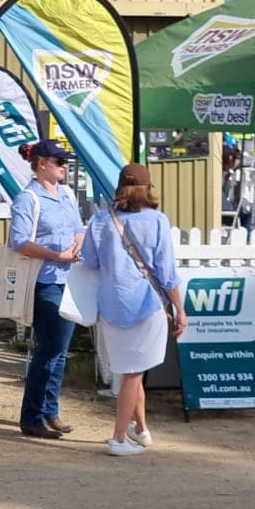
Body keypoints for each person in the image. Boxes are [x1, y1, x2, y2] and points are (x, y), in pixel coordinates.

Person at [79, 163, 188, 457]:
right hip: (146, 302)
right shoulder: (157, 220)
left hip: (111, 304)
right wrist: (179, 308)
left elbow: (89, 260)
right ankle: (117, 438)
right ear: (148, 187)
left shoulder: (102, 219)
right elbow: (166, 272)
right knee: (134, 373)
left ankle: (140, 429)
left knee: (132, 370)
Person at [12, 140, 84, 440]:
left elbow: (79, 227)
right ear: (41, 163)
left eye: (64, 161)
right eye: (58, 161)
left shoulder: (66, 194)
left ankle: (48, 410)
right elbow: (19, 242)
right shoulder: (28, 199)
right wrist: (57, 256)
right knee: (50, 349)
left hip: (69, 279)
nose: (64, 166)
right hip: (47, 280)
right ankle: (32, 416)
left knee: (60, 351)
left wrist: (79, 241)